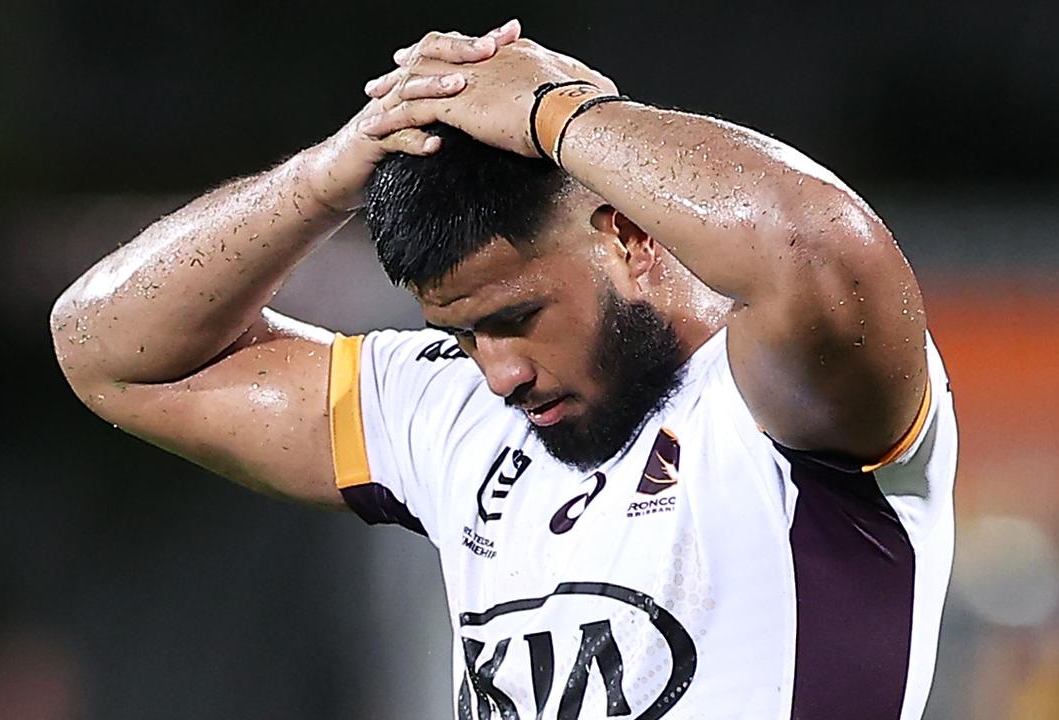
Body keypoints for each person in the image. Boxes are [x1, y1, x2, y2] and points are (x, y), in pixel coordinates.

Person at [50, 19, 957, 720]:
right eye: (462, 334)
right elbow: (111, 352)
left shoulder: (782, 403)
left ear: (630, 235)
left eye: (516, 318)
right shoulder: (453, 411)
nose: (498, 375)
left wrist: (560, 115)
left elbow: (817, 246)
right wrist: (332, 174)